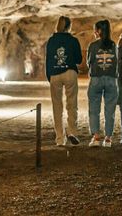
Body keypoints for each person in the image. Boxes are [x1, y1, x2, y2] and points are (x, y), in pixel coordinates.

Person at [44, 16, 82, 146]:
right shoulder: (73, 40)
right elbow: (78, 59)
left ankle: (60, 139)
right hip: (69, 72)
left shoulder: (51, 40)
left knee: (57, 106)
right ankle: (72, 132)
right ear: (69, 27)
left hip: (54, 73)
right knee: (72, 104)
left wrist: (49, 76)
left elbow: (48, 59)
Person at [86, 20, 119, 147]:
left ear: (99, 31)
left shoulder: (93, 46)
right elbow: (116, 62)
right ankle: (108, 138)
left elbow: (89, 62)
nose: (94, 32)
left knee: (94, 109)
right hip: (111, 79)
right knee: (110, 110)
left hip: (96, 78)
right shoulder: (114, 45)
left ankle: (96, 137)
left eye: (95, 29)